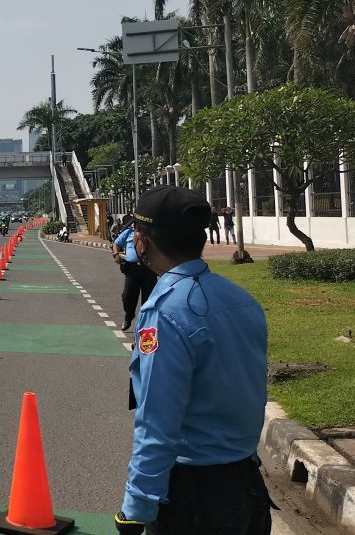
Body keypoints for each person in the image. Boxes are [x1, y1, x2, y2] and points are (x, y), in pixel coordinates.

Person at [114, 186, 271, 535]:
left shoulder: (165, 313)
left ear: (142, 240)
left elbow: (157, 420)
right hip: (246, 487)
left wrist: (136, 507)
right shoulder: (241, 299)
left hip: (194, 501)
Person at [112, 214, 156, 332]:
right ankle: (129, 316)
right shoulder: (128, 232)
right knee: (128, 296)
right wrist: (116, 254)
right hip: (132, 269)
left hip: (149, 269)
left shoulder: (153, 233)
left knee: (148, 299)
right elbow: (116, 243)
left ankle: (145, 325)